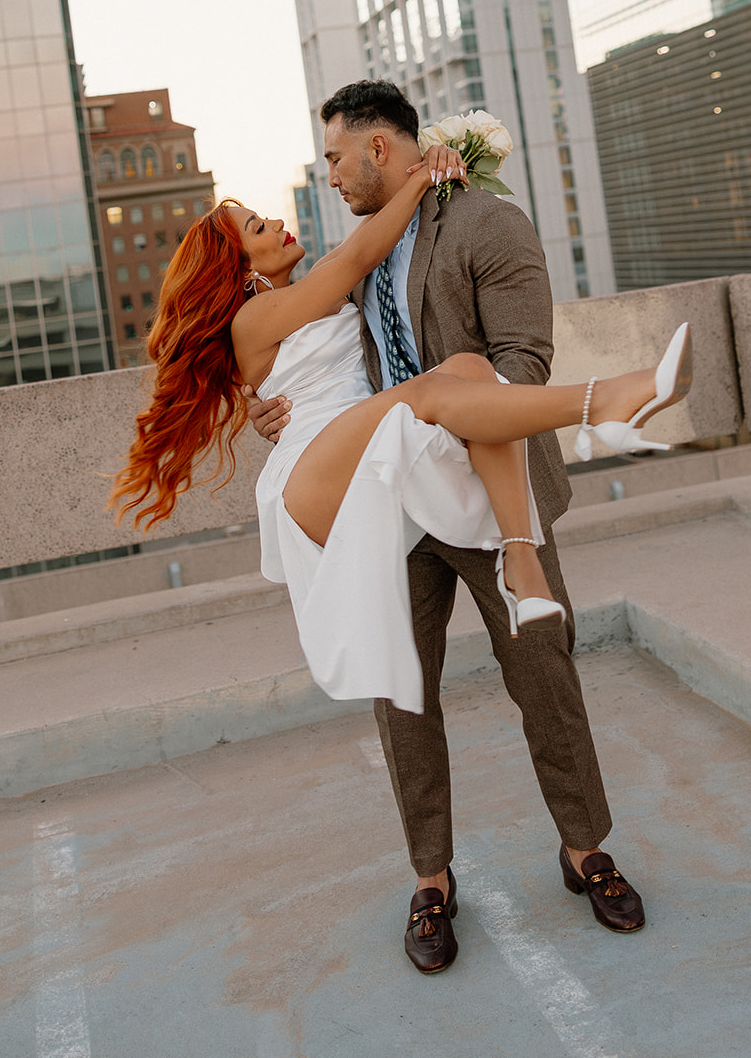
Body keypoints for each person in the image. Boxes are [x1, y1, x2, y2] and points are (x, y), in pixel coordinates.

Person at [241, 82, 691, 971]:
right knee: (400, 691)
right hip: (382, 502)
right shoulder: (353, 254)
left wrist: (453, 410)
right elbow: (294, 359)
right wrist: (267, 413)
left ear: (379, 148)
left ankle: (584, 851)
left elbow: (524, 358)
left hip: (485, 488)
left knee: (543, 675)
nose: (324, 174)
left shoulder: (485, 222)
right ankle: (432, 879)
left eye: (333, 156)